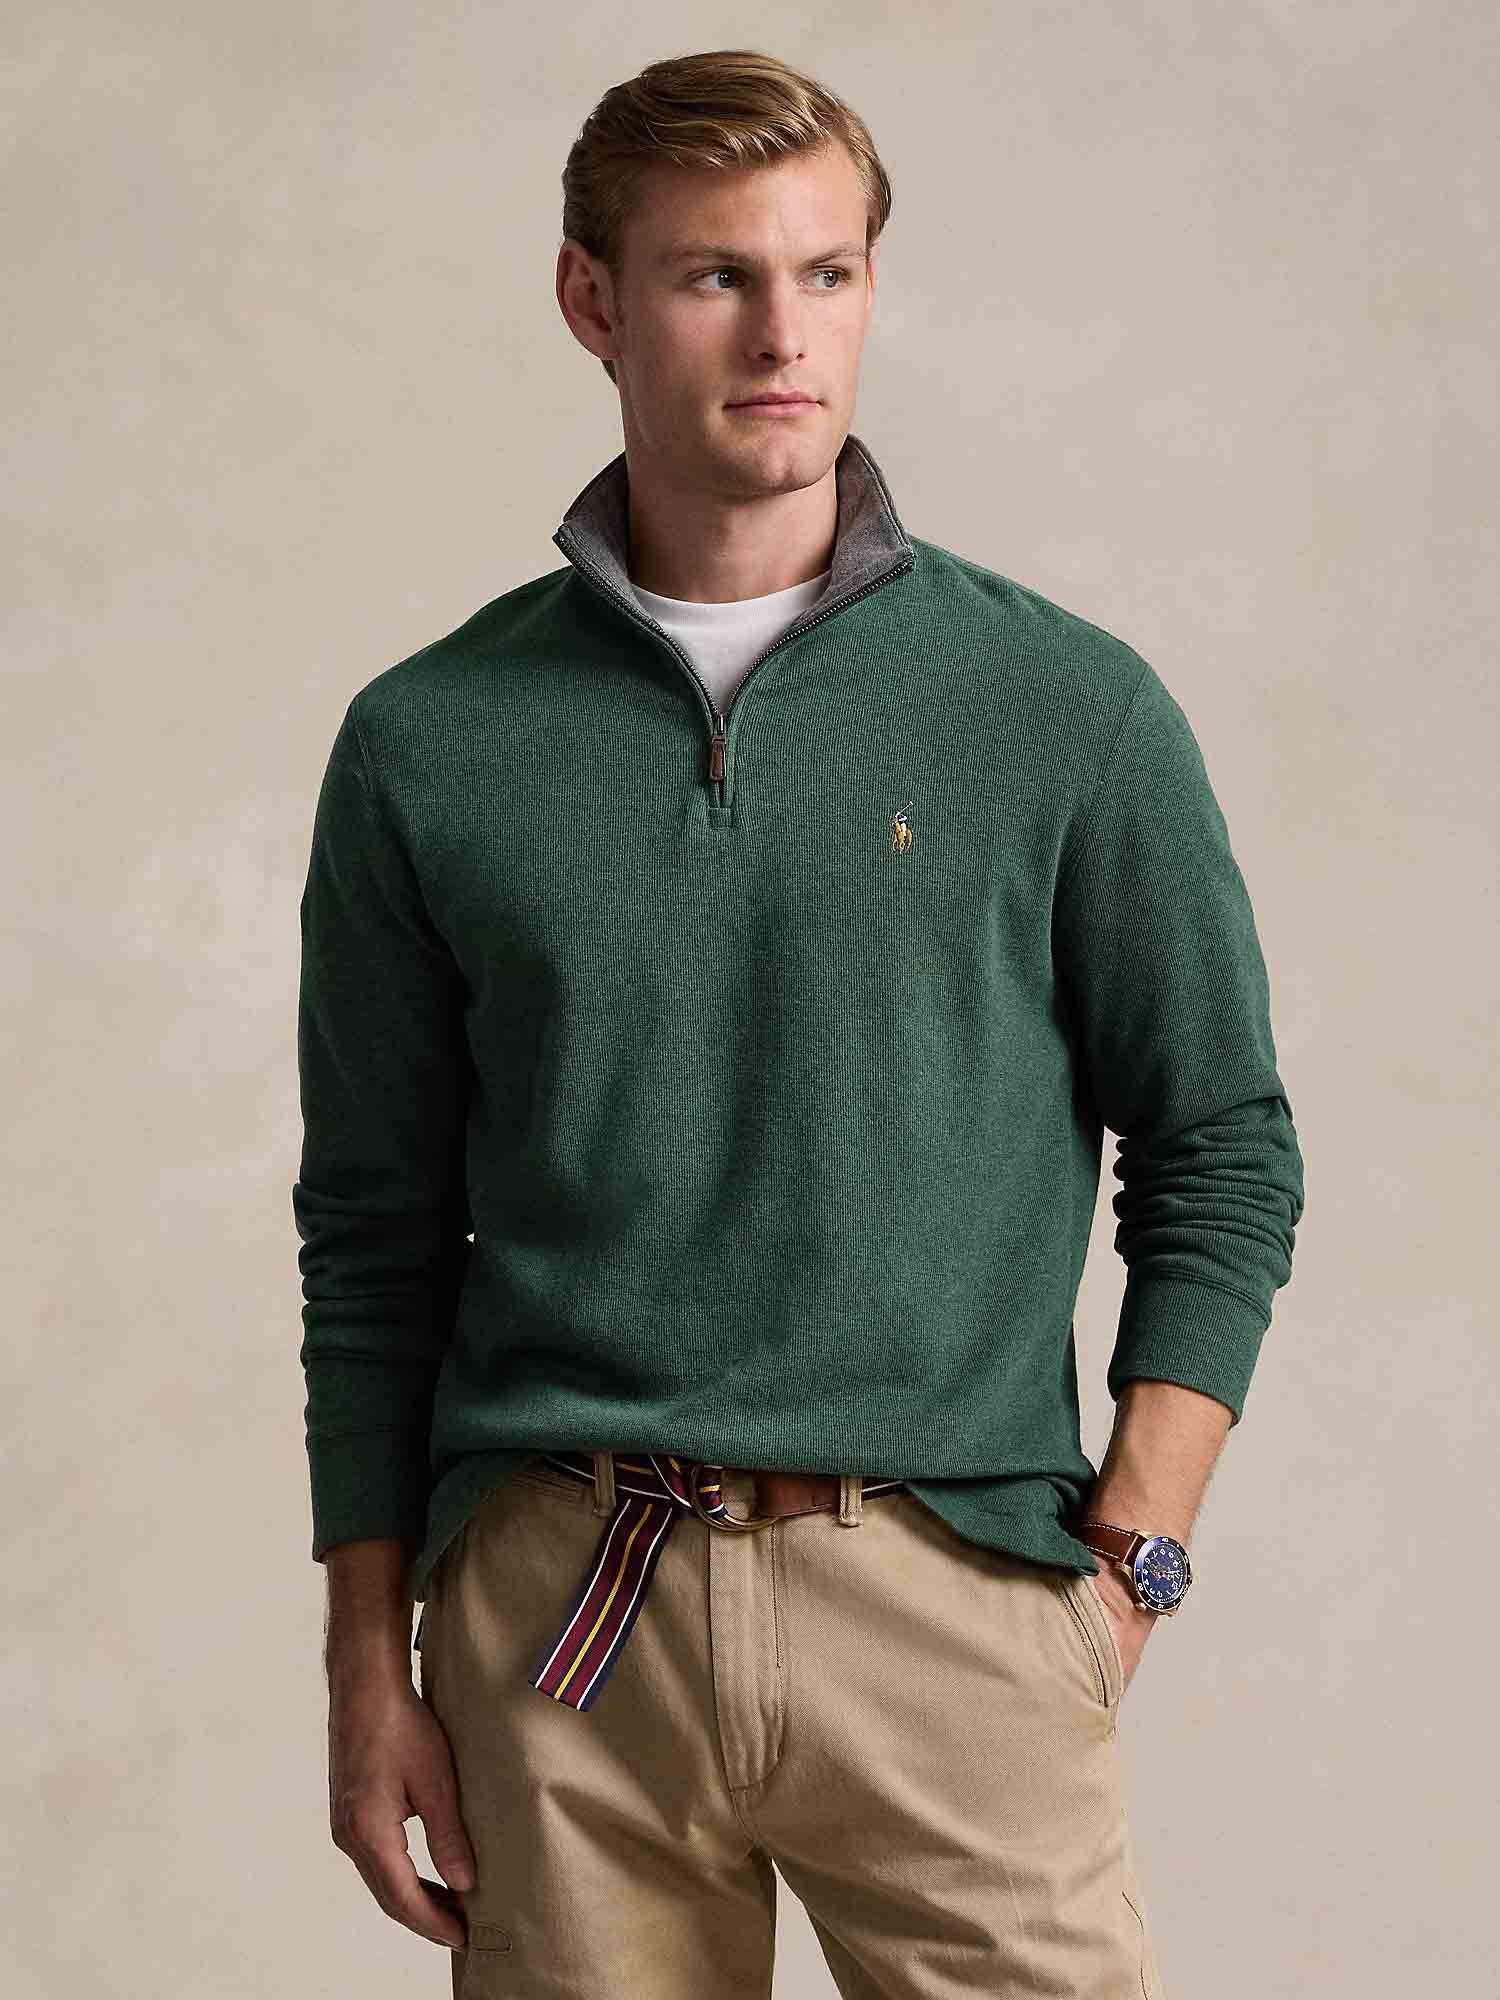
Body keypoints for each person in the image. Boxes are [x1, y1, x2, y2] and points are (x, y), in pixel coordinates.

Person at [292, 46, 1305, 1999]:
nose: (784, 334)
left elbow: (1222, 1151)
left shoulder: (1066, 711)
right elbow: (375, 1235)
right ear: (592, 299)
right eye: (717, 276)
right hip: (562, 1622)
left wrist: (1135, 1557)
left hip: (951, 1599)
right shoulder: (430, 742)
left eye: (827, 273)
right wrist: (368, 1661)